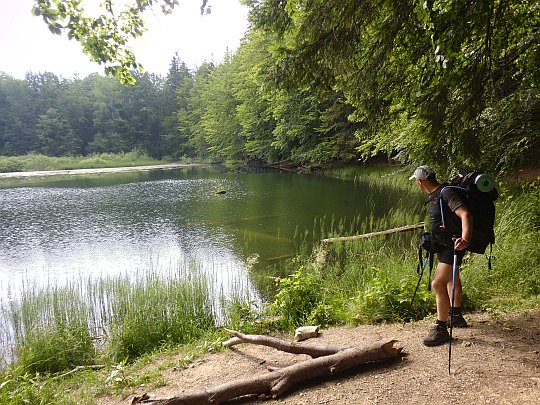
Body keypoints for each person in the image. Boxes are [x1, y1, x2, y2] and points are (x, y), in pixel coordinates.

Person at [409, 165, 472, 346]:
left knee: (437, 283)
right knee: (453, 279)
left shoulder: (446, 193)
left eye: (416, 181)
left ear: (420, 181)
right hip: (444, 244)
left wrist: (465, 239)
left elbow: (465, 214)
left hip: (452, 246)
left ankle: (441, 328)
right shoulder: (437, 194)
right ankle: (456, 316)